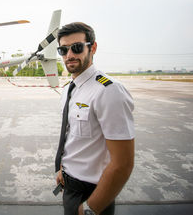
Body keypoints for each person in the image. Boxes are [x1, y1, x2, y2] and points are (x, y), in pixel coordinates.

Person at [54, 22, 135, 215]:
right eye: (63, 50)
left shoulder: (108, 90)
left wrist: (92, 208)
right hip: (69, 184)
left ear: (93, 48)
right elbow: (71, 137)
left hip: (92, 193)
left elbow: (123, 163)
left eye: (77, 47)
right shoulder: (68, 89)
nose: (70, 55)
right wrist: (61, 169)